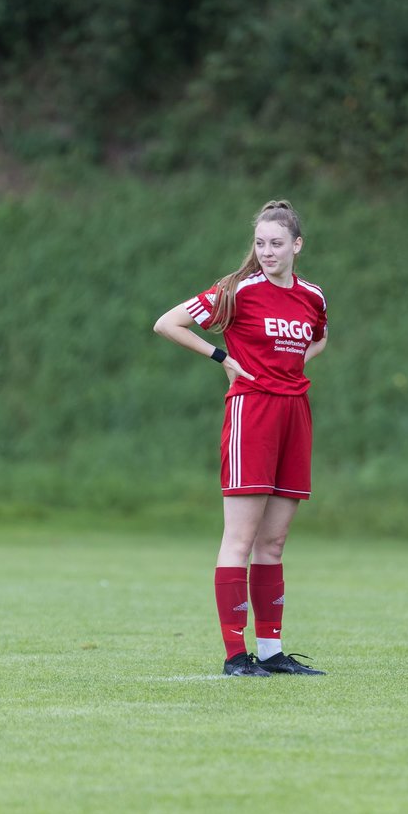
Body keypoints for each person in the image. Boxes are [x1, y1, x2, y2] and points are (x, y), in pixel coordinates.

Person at [153, 199, 329, 677]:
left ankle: (271, 653)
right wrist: (222, 359)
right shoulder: (237, 290)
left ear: (297, 245)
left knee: (273, 542)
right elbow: (168, 322)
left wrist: (289, 370)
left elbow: (318, 338)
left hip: (294, 414)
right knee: (241, 537)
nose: (267, 252)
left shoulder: (313, 295)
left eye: (276, 243)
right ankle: (236, 656)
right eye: (260, 243)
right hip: (251, 412)